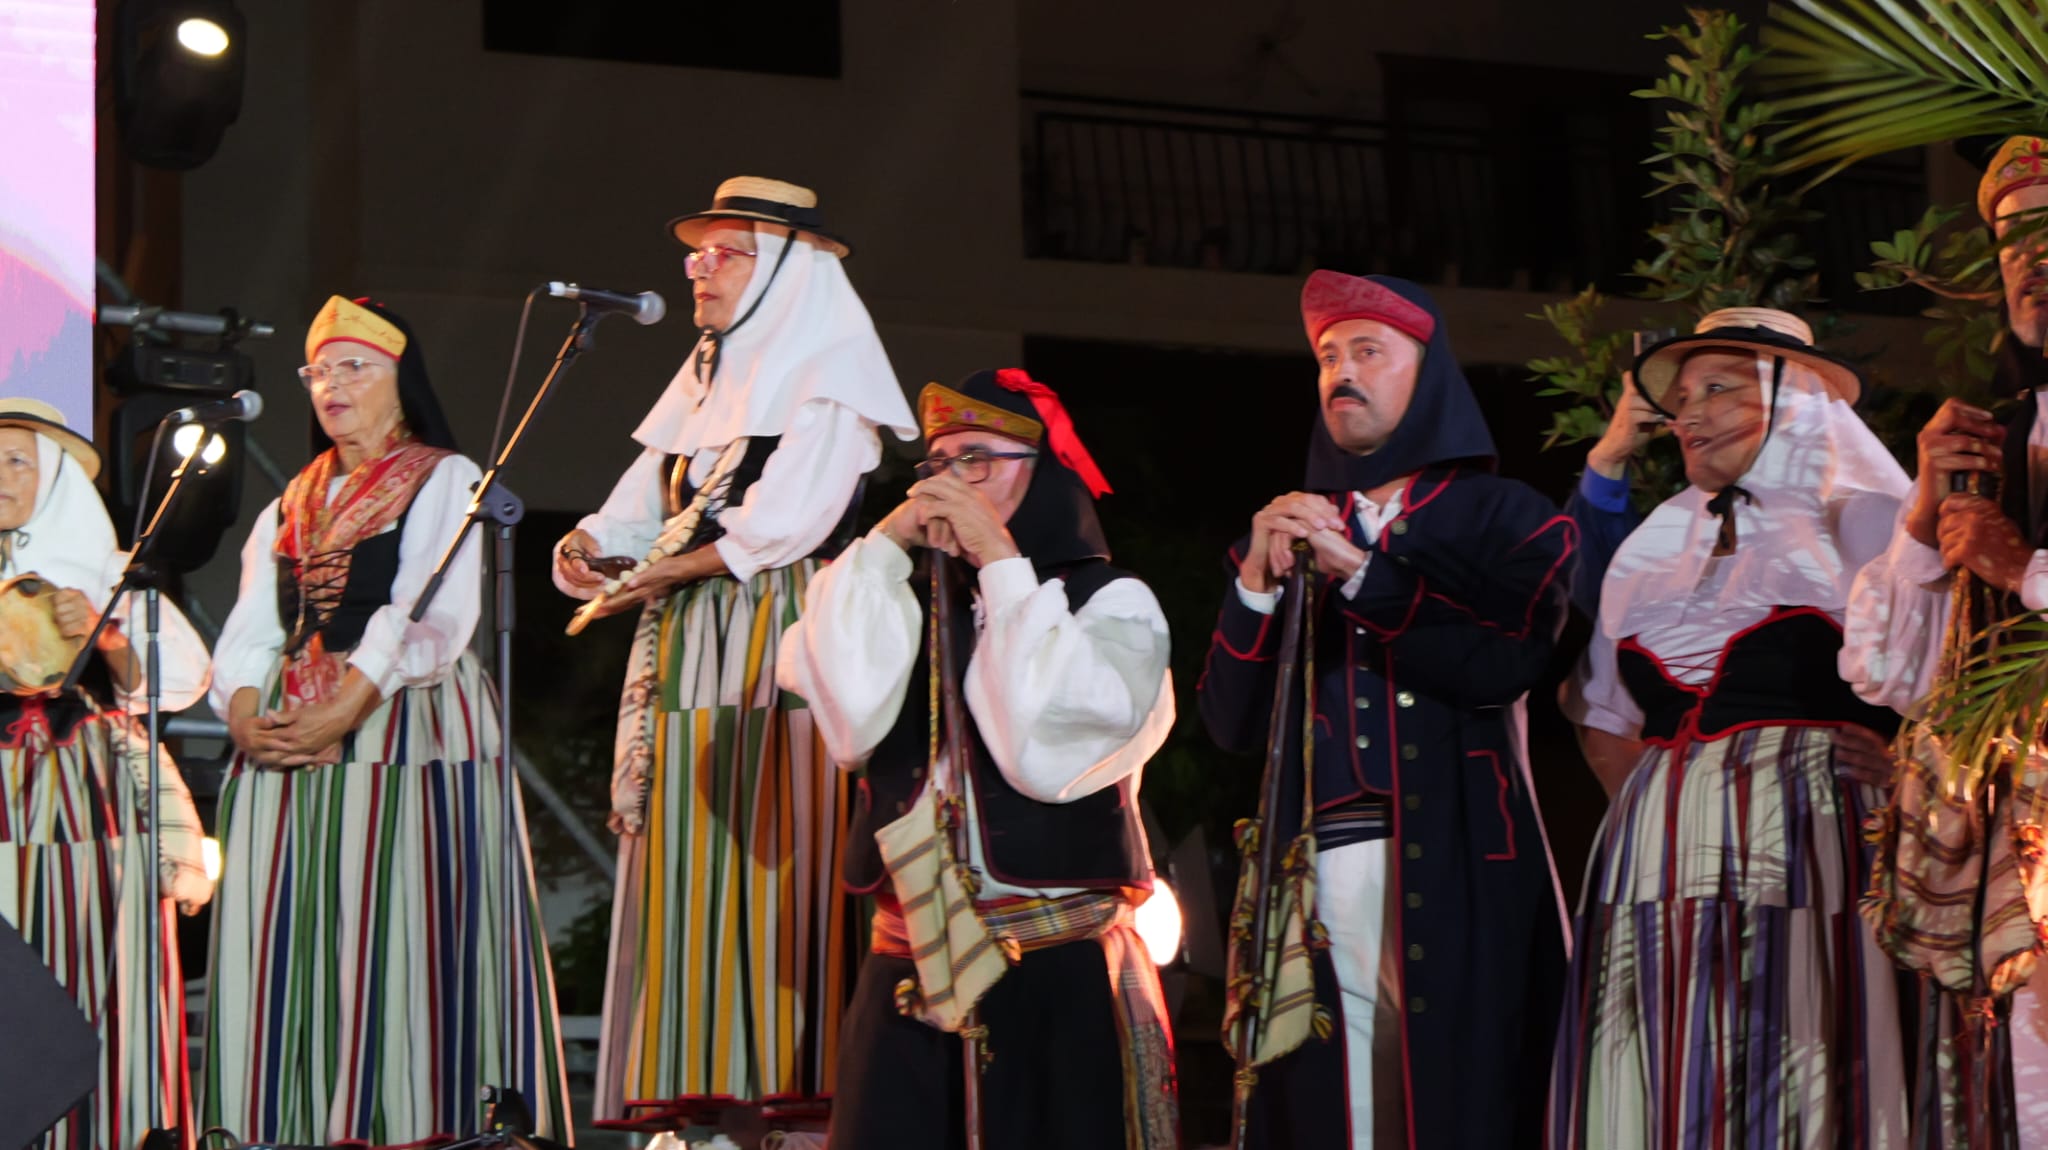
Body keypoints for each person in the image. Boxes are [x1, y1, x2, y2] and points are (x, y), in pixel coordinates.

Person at [551, 177, 917, 1127]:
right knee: (691, 853)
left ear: (786, 271)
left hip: (779, 635)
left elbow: (784, 526)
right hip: (692, 636)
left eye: (723, 253)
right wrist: (587, 550)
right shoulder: (709, 380)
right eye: (695, 254)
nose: (699, 271)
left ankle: (790, 1096)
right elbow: (638, 511)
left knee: (771, 853)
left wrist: (660, 575)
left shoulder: (831, 380)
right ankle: (706, 1093)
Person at [1198, 271, 1573, 1148]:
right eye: (1328, 356)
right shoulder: (1283, 531)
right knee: (1335, 1105)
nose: (1341, 372)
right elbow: (1231, 724)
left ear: (1428, 373)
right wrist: (1255, 586)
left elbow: (1500, 663)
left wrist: (1361, 572)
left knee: (1459, 1093)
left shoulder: (1508, 520)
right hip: (1316, 866)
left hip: (1457, 862)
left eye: (1368, 351)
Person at [777, 368, 1177, 1149]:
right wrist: (887, 543)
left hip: (1053, 966)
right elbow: (848, 720)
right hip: (910, 960)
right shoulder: (904, 596)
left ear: (1041, 474)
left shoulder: (1112, 601)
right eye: (939, 463)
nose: (952, 481)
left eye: (978, 460)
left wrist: (1000, 560)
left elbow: (1048, 748)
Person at [202, 296, 569, 1143]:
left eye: (353, 368)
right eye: (319, 371)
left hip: (406, 722)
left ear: (401, 383)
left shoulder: (443, 478)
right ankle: (292, 1118)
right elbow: (259, 618)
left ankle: (417, 1117)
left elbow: (426, 612)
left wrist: (350, 702)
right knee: (293, 931)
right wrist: (248, 712)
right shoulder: (294, 497)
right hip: (296, 733)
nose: (331, 386)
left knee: (399, 923)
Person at [1549, 308, 1911, 1147]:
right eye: (1681, 397)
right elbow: (1605, 712)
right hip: (1655, 858)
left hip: (1815, 847)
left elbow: (1944, 686)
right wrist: (1675, 804)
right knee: (1662, 1071)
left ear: (1795, 401)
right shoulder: (1651, 543)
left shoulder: (1868, 521)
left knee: (1798, 1059)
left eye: (1720, 388)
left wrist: (1903, 770)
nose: (1691, 414)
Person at [1842, 134, 2048, 1145]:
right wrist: (1923, 522)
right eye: (2008, 239)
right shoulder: (1995, 433)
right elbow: (1882, 673)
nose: (2029, 258)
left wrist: (2023, 570)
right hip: (2010, 852)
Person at [0, 398, 212, 1150]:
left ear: (52, 477)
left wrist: (105, 630)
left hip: (80, 791)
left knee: (86, 959)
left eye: (19, 460)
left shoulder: (102, 573)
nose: (1, 476)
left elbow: (182, 678)